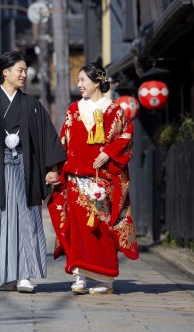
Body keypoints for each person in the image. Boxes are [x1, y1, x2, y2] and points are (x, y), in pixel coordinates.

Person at [0, 51, 65, 293]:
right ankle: (8, 275)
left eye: (26, 70)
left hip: (27, 171)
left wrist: (53, 168)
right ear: (5, 72)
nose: (25, 75)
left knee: (27, 220)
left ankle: (25, 275)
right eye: (20, 70)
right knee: (1, 220)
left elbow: (48, 137)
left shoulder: (32, 106)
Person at [48, 63, 139, 295]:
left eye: (82, 80)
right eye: (78, 80)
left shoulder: (115, 110)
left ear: (97, 82)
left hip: (103, 179)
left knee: (102, 227)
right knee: (78, 228)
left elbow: (126, 135)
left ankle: (105, 279)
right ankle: (79, 275)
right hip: (77, 178)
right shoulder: (73, 110)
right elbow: (63, 142)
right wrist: (55, 169)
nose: (78, 85)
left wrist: (107, 153)